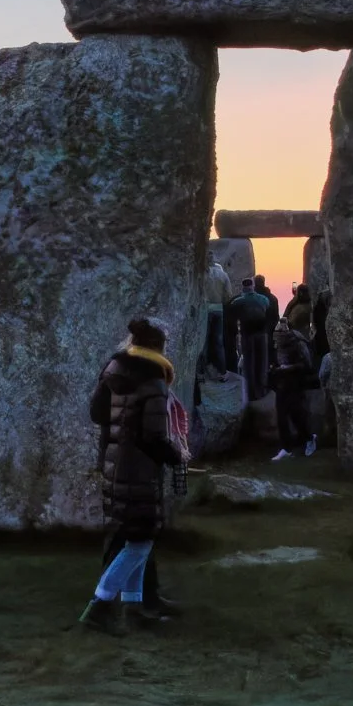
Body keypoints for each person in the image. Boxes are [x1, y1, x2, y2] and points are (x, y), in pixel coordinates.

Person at [79, 318, 184, 636]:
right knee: (139, 541)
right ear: (159, 347)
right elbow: (153, 436)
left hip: (114, 463)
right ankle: (99, 606)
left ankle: (134, 605)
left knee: (134, 536)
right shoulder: (154, 381)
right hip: (139, 469)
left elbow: (97, 414)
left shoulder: (112, 369)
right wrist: (174, 455)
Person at [270, 318, 319, 461]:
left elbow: (307, 365)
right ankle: (286, 448)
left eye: (281, 331)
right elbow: (276, 360)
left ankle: (310, 438)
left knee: (296, 415)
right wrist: (274, 369)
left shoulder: (298, 343)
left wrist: (289, 368)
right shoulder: (278, 344)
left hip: (296, 383)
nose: (279, 334)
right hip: (282, 383)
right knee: (281, 417)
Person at [227, 278, 273, 399]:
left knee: (249, 363)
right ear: (253, 286)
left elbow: (232, 308)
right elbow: (267, 306)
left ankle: (251, 392)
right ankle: (262, 390)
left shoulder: (238, 301)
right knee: (262, 362)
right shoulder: (263, 299)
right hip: (262, 333)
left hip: (247, 334)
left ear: (243, 287)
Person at [202, 260, 233, 372]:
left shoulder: (203, 273)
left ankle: (202, 371)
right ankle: (222, 371)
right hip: (219, 309)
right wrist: (222, 303)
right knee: (219, 342)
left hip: (205, 309)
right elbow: (229, 294)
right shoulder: (223, 275)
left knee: (204, 341)